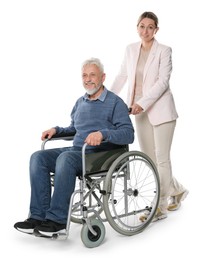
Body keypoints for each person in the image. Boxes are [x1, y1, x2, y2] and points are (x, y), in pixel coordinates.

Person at [14, 57, 134, 237]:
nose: (88, 79)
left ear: (103, 77)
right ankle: (38, 217)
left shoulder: (115, 103)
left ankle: (57, 220)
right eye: (84, 75)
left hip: (101, 154)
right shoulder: (81, 102)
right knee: (38, 157)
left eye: (92, 75)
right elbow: (74, 129)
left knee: (65, 159)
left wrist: (103, 134)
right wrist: (56, 130)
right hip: (78, 151)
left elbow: (128, 134)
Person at [110, 11, 188, 222]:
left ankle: (159, 207)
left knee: (162, 159)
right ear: (137, 27)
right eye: (142, 26)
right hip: (137, 111)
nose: (145, 31)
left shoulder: (164, 51)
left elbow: (162, 82)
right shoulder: (130, 50)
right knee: (151, 160)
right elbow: (122, 76)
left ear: (156, 30)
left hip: (161, 111)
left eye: (150, 27)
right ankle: (177, 189)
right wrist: (107, 99)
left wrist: (142, 103)